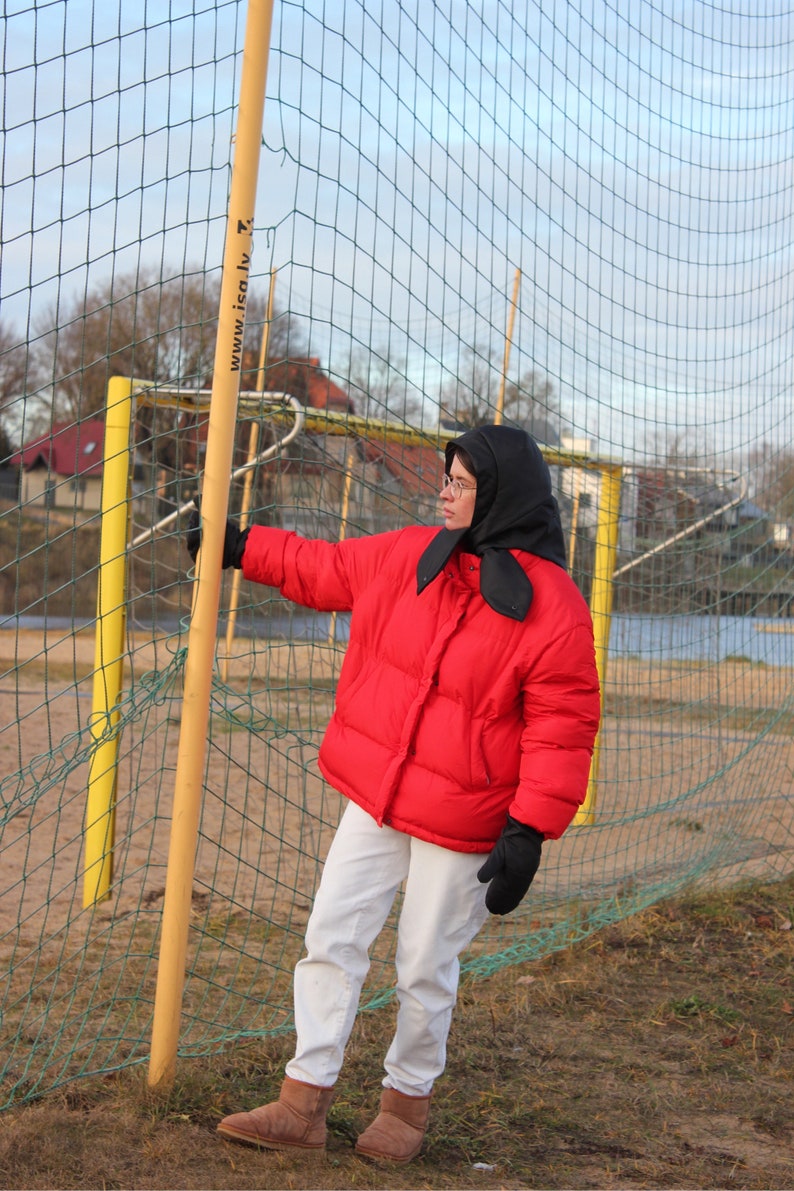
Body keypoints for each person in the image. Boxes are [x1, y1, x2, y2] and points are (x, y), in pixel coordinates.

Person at [186, 424, 601, 1163]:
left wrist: (530, 829)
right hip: (376, 795)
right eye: (447, 476)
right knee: (331, 935)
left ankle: (406, 1107)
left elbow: (562, 726)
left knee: (423, 964)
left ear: (502, 495)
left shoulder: (555, 607)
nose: (444, 491)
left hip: (467, 820)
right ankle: (302, 1101)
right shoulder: (411, 555)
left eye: (463, 482)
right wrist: (239, 546)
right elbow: (324, 566)